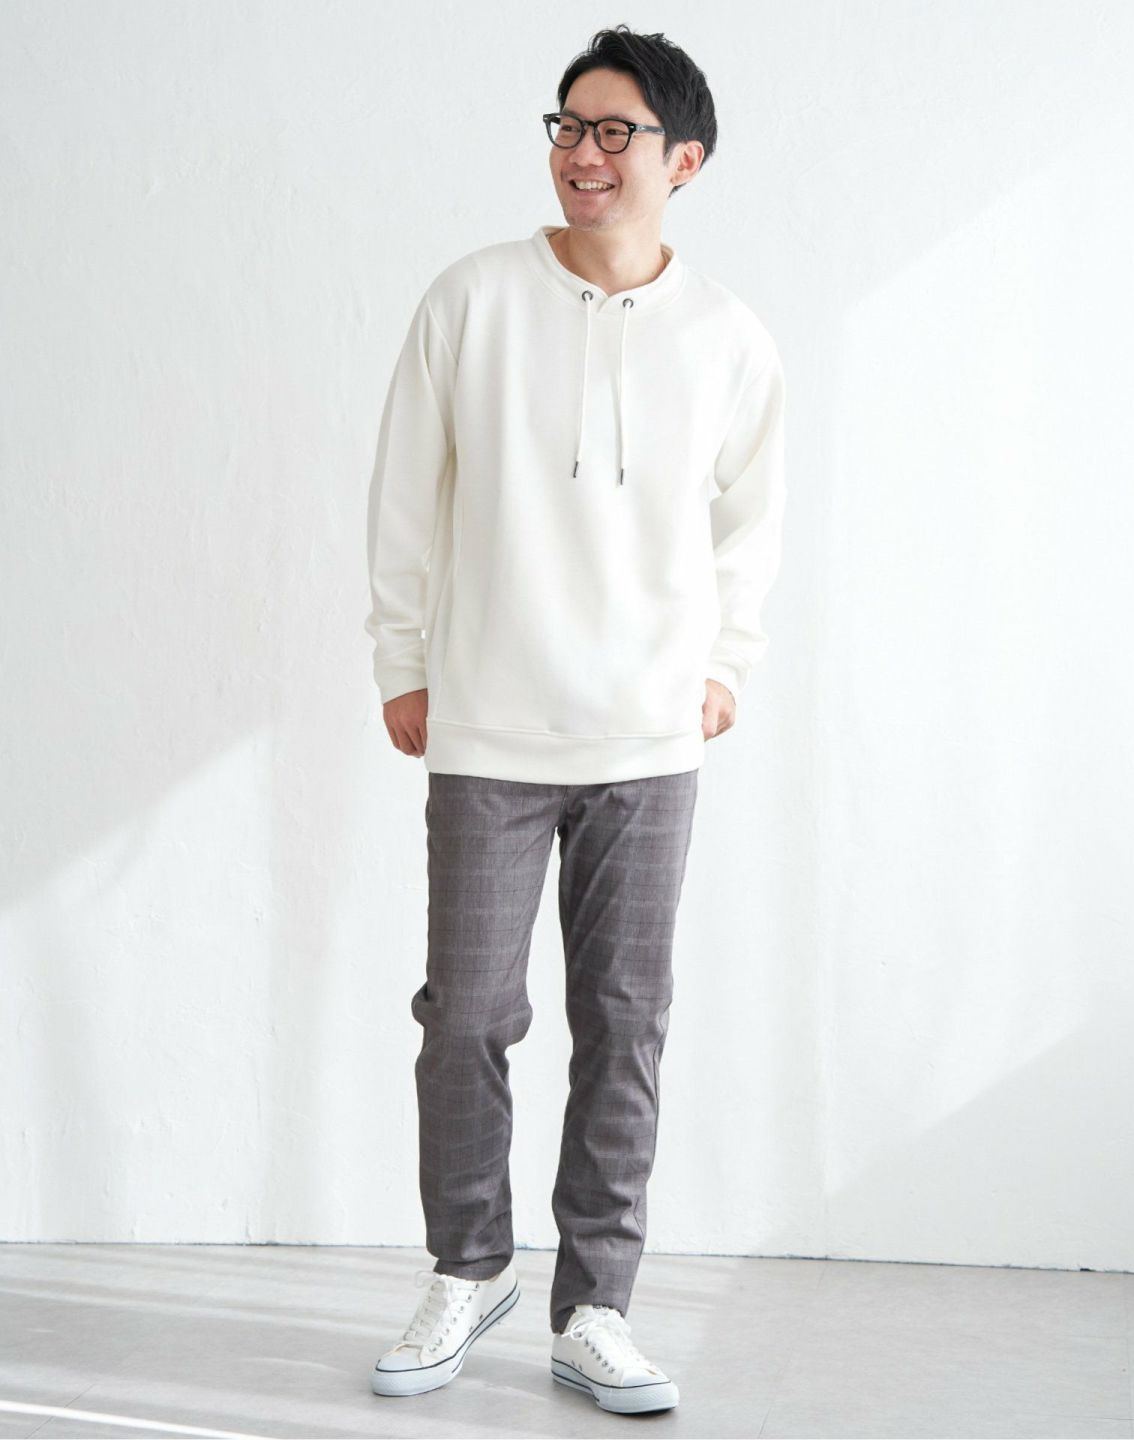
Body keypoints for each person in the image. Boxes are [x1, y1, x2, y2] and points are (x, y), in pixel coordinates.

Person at [363, 24, 787, 1417]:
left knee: (624, 1023)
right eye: (567, 127)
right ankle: (468, 1266)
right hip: (488, 725)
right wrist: (402, 660)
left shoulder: (728, 338)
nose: (583, 154)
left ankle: (596, 1304)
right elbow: (404, 493)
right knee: (466, 1017)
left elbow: (752, 524)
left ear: (684, 160)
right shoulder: (472, 299)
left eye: (615, 132)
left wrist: (725, 665)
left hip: (649, 741)